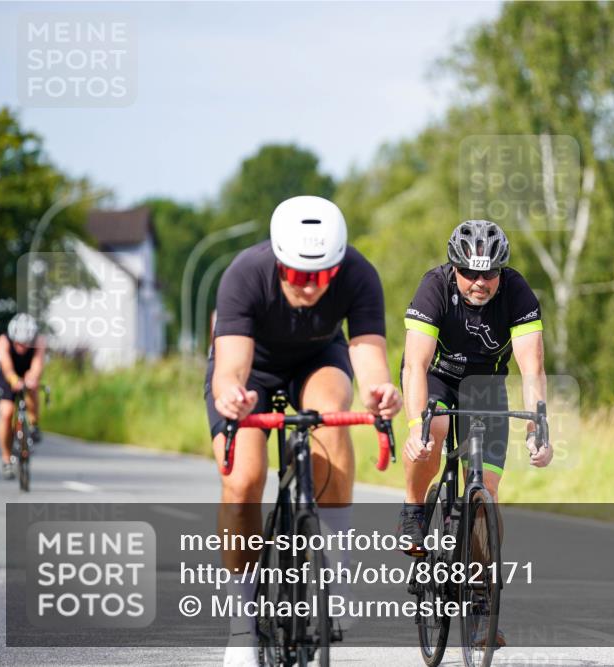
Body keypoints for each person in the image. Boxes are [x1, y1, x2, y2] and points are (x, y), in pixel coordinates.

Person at [206, 195, 401, 666]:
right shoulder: (245, 273)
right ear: (278, 261)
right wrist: (232, 394)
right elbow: (229, 367)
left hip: (317, 358)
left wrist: (380, 392)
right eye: (296, 275)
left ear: (337, 266)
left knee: (332, 412)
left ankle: (337, 564)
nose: (309, 287)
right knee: (243, 479)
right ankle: (242, 627)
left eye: (321, 276)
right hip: (252, 370)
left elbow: (368, 352)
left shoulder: (358, 273)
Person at [398, 220, 554, 646]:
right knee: (436, 427)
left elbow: (532, 368)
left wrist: (538, 426)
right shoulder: (434, 286)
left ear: (501, 270)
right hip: (436, 378)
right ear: (455, 268)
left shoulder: (517, 292)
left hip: (485, 386)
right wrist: (416, 428)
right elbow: (414, 365)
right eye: (470, 273)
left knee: (485, 492)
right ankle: (413, 510)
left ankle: (482, 601)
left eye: (489, 274)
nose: (479, 283)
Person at [0, 313, 45, 480]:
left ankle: (33, 424)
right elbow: (7, 366)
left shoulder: (38, 342)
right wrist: (13, 379)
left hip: (26, 374)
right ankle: (6, 459)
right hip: (8, 377)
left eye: (26, 344)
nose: (22, 348)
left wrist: (32, 378)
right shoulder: (3, 341)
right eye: (19, 344)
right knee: (7, 413)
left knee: (33, 388)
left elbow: (37, 365)